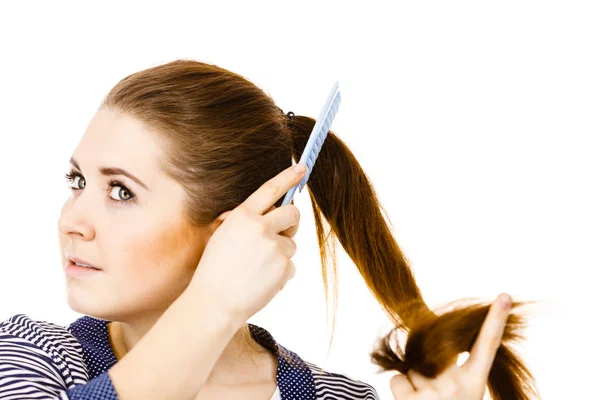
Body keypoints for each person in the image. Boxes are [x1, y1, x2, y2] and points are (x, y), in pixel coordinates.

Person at [0, 59, 537, 399]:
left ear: (232, 230)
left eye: (121, 191)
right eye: (77, 180)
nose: (71, 221)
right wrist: (211, 305)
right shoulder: (29, 359)